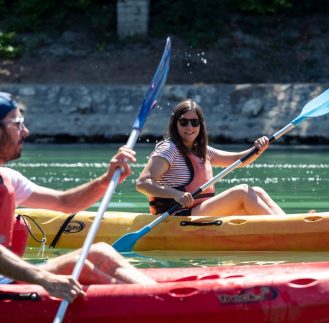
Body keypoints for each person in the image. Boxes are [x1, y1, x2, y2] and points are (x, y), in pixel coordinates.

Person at [0, 91, 155, 302]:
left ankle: (160, 298)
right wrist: (44, 279)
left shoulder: (8, 178)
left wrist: (105, 179)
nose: (25, 131)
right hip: (7, 289)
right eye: (17, 124)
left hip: (8, 280)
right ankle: (154, 304)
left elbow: (65, 202)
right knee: (83, 268)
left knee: (99, 252)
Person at [136, 99, 285, 216]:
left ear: (200, 125)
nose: (189, 127)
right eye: (183, 122)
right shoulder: (169, 149)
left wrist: (258, 149)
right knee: (242, 192)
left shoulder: (201, 151)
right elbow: (142, 183)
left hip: (199, 210)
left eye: (194, 122)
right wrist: (176, 194)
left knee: (257, 190)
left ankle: (289, 224)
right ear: (175, 125)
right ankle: (284, 229)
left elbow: (236, 160)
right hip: (178, 215)